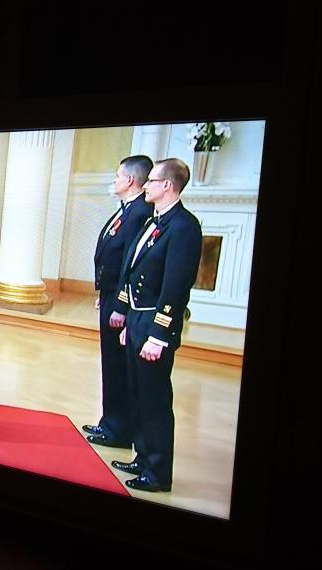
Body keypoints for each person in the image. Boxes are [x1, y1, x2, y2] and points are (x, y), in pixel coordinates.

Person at [111, 158, 202, 493]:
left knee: (155, 399)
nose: (145, 185)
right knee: (137, 392)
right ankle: (142, 455)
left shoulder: (184, 227)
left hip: (155, 324)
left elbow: (175, 286)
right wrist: (129, 318)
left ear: (167, 185)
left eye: (151, 180)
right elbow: (134, 270)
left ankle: (158, 471)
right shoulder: (156, 220)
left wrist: (159, 335)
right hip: (139, 318)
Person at [85, 155, 154, 449]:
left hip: (121, 299)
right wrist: (104, 292)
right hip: (111, 294)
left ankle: (119, 429)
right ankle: (109, 421)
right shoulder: (127, 209)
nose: (114, 181)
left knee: (117, 365)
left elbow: (131, 263)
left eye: (117, 176)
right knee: (110, 363)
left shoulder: (139, 213)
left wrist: (122, 305)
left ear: (129, 180)